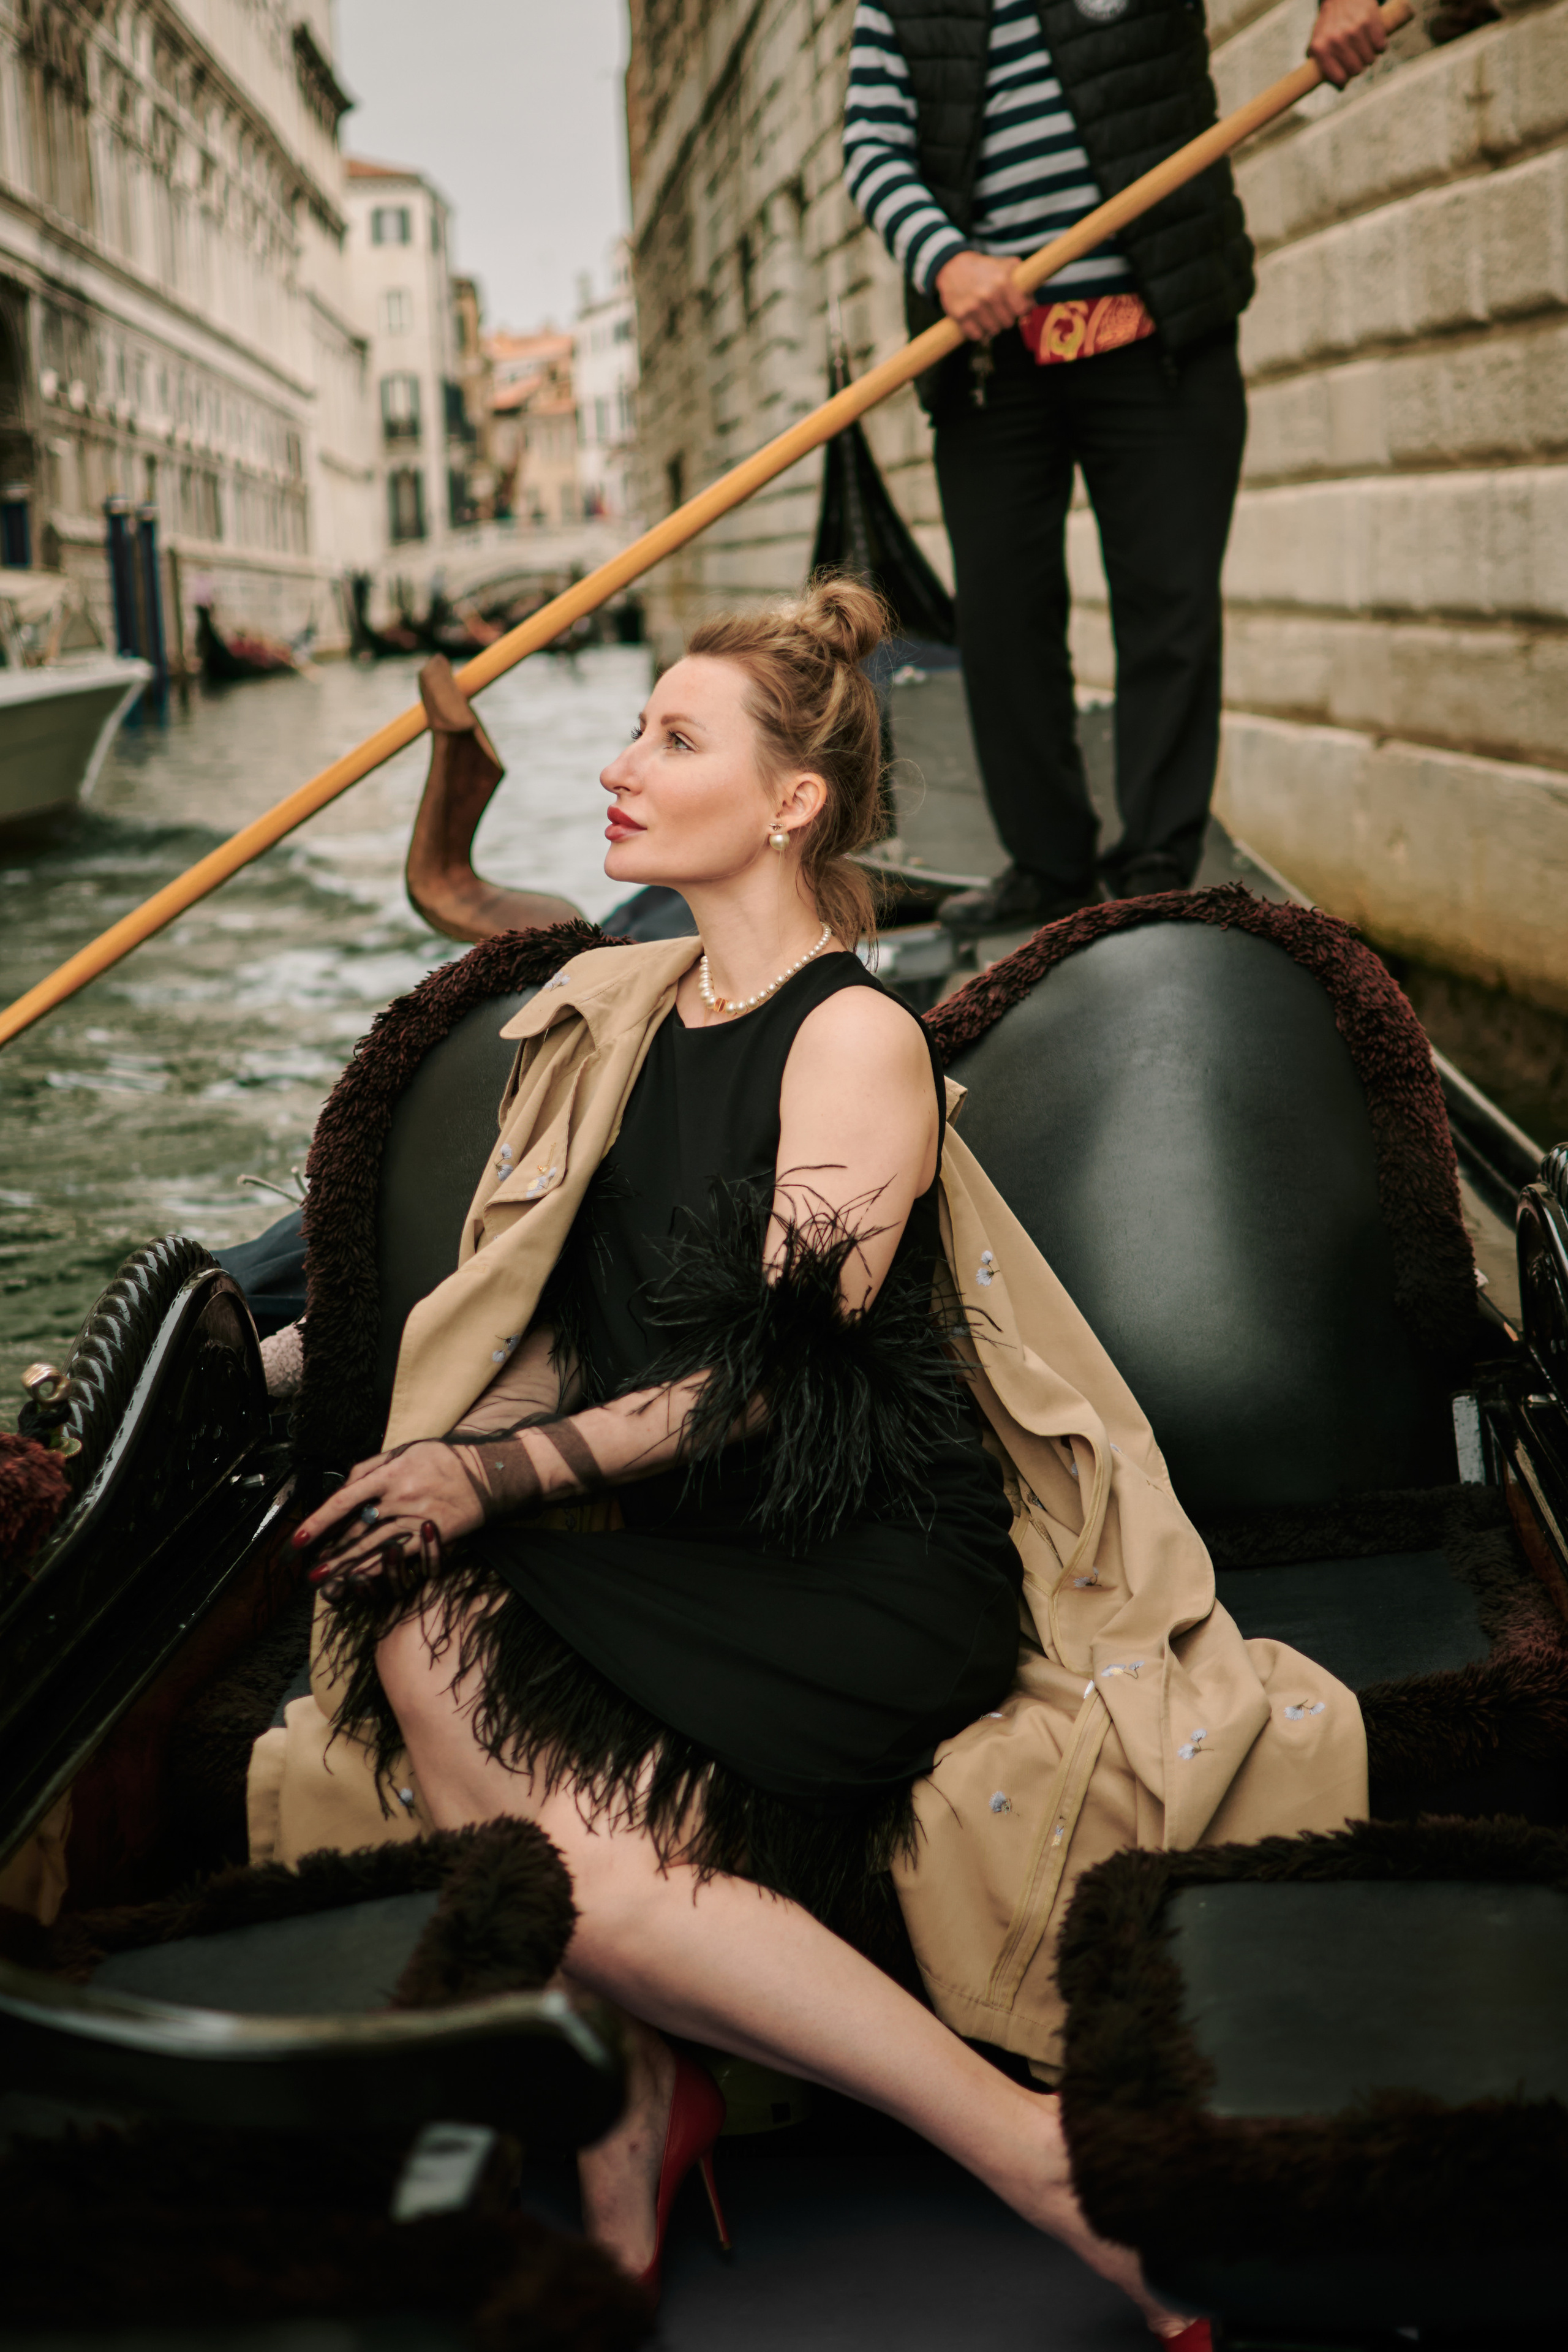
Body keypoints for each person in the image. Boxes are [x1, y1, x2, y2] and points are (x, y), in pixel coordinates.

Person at [284, 577, 1363, 2321]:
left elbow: (774, 1380)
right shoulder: (636, 1018)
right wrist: (418, 1447)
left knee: (509, 1721)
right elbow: (552, 1311)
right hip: (675, 1537)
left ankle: (1016, 2150)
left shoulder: (855, 1038)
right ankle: (641, 2090)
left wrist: (496, 1478)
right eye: (636, 729)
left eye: (675, 736)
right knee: (399, 1600)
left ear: (792, 801)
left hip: (852, 1552)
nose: (627, 763)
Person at [843, 0, 1391, 932]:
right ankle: (1047, 865)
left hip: (1161, 331)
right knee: (1006, 617)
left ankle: (1157, 865)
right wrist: (945, 263)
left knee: (1168, 605)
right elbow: (873, 148)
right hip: (991, 359)